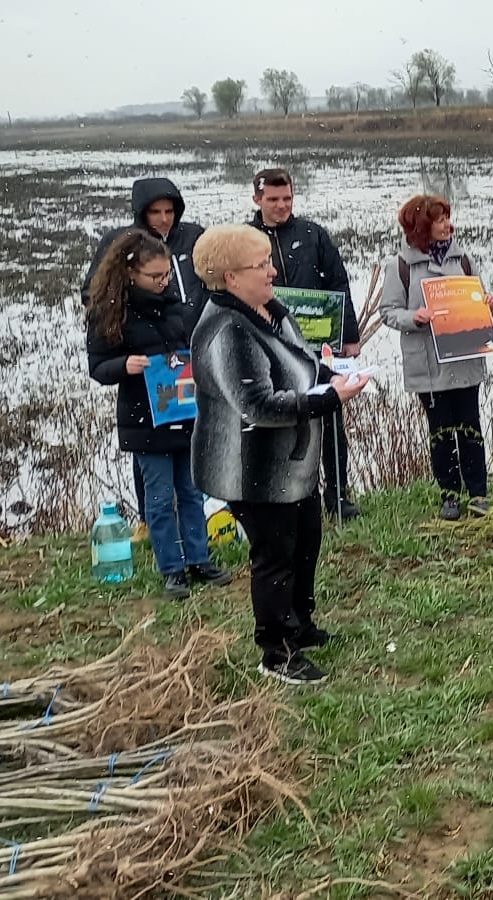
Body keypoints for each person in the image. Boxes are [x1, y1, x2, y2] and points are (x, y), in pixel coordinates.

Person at [189, 223, 367, 686]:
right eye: (261, 264)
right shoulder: (226, 330)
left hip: (291, 464)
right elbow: (258, 406)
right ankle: (276, 651)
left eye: (269, 260)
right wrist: (331, 399)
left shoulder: (269, 308)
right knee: (275, 555)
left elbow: (299, 362)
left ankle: (300, 625)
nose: (272, 270)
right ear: (230, 277)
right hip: (249, 468)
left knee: (306, 540)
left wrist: (331, 372)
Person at [83, 231, 230, 599]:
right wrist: (125, 365)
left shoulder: (176, 307)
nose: (163, 282)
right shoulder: (110, 313)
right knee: (160, 499)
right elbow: (98, 367)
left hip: (185, 414)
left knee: (192, 492)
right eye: (155, 277)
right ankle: (172, 569)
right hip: (145, 421)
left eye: (166, 275)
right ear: (132, 274)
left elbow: (194, 347)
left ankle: (199, 559)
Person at [248, 168, 361, 522]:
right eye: (273, 200)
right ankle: (288, 494)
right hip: (269, 349)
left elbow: (339, 283)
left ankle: (338, 495)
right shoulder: (245, 239)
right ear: (257, 199)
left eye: (287, 199)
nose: (282, 206)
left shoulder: (313, 235)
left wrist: (349, 336)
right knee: (282, 420)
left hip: (318, 348)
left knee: (330, 419)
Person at [378, 194, 493, 521]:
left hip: (465, 358)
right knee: (441, 432)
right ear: (422, 226)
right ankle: (449, 495)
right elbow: (388, 312)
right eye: (440, 219)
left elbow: (479, 301)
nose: (448, 224)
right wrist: (414, 318)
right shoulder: (400, 266)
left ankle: (478, 494)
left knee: (470, 428)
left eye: (448, 217)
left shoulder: (464, 260)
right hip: (429, 365)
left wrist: (487, 304)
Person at [82, 177, 207, 308]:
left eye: (169, 211)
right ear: (142, 213)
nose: (164, 219)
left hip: (199, 326)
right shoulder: (122, 241)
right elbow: (92, 293)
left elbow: (217, 278)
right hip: (149, 325)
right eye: (155, 212)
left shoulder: (193, 236)